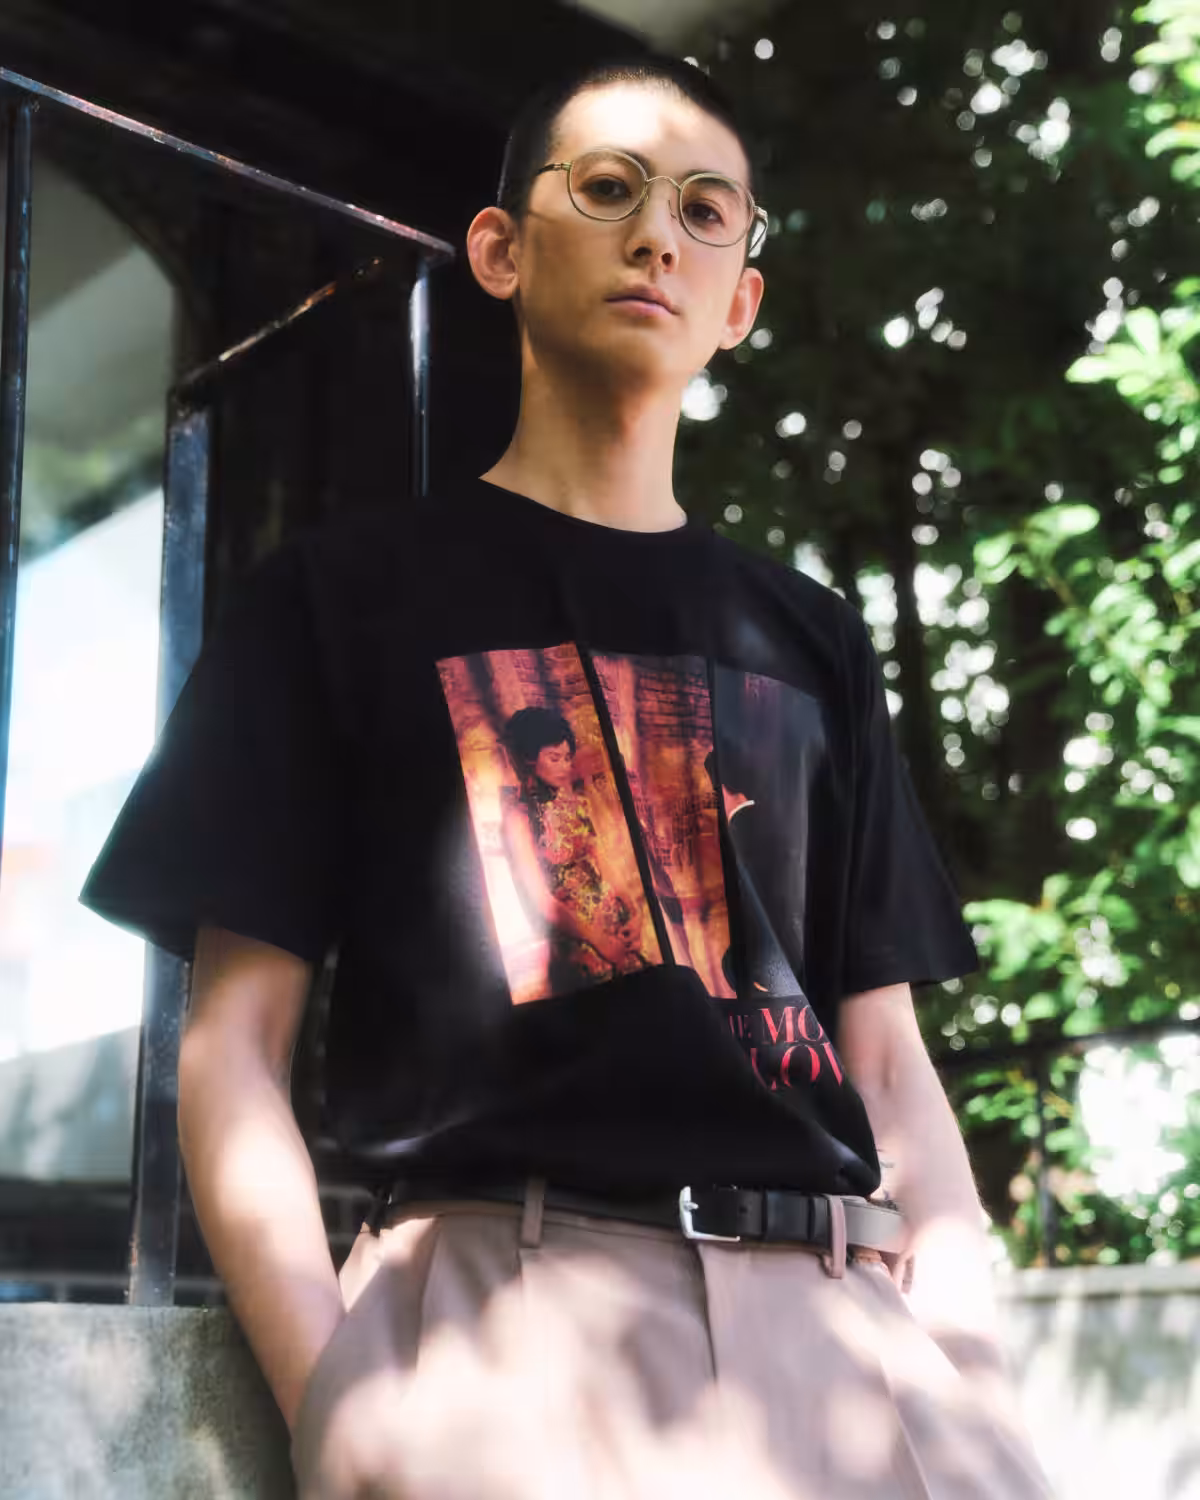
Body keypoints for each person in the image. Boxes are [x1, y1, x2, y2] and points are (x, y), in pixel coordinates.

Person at [81, 52, 1053, 1500]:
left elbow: (889, 1060)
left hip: (845, 1333)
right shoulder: (340, 599)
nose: (658, 234)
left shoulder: (813, 638)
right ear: (501, 249)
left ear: (740, 304)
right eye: (609, 189)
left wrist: (970, 1370)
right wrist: (335, 1398)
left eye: (706, 212)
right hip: (507, 1319)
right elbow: (233, 1047)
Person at [499, 705, 651, 990]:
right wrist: (598, 941)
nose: (564, 767)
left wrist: (634, 911)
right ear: (529, 758)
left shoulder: (574, 805)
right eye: (554, 758)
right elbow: (543, 902)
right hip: (578, 946)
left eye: (567, 758)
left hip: (615, 929)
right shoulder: (518, 819)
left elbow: (603, 862)